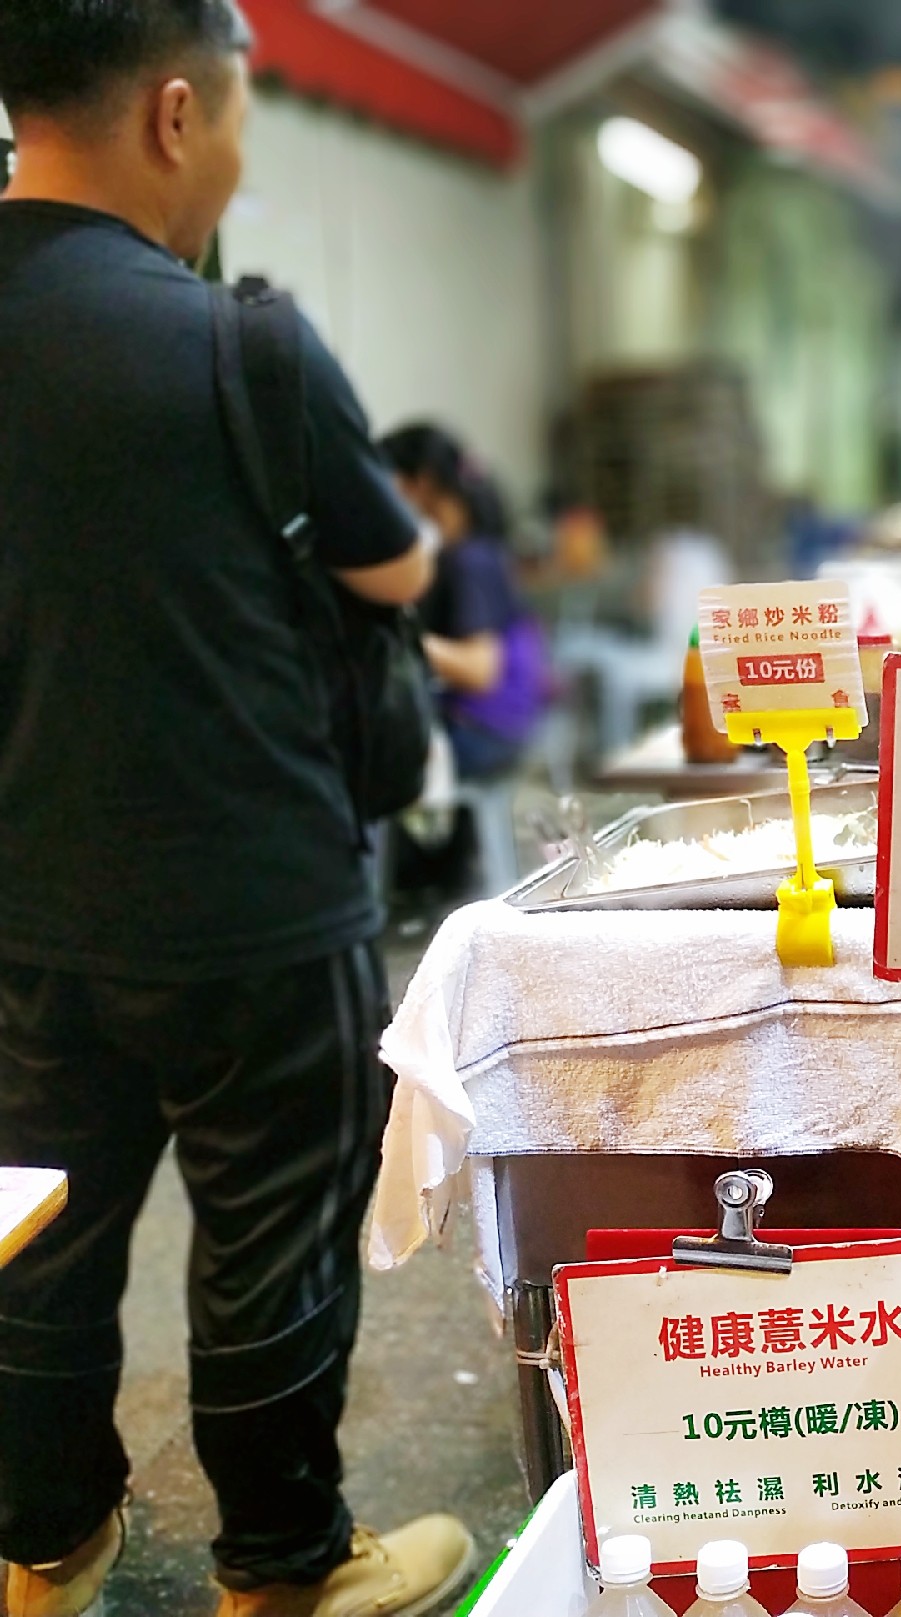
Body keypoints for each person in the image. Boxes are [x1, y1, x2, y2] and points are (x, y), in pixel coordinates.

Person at [0, 5, 475, 1615]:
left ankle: (43, 1549)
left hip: (20, 897)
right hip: (257, 897)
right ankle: (283, 1572)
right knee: (267, 1244)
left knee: (38, 1243)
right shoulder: (237, 342)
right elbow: (397, 565)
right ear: (178, 111)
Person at [379, 422, 549, 784]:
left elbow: (480, 669)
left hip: (484, 730)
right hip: (510, 724)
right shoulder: (480, 550)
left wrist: (398, 638)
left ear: (419, 483)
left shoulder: (469, 559)